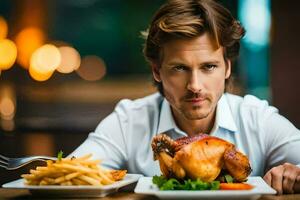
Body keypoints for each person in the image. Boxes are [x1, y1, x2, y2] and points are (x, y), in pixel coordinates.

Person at [70, 0, 300, 195]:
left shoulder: (257, 118)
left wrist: (294, 173)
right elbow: (68, 173)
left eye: (209, 66)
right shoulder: (129, 121)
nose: (195, 86)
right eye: (180, 68)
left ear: (227, 67)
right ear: (157, 71)